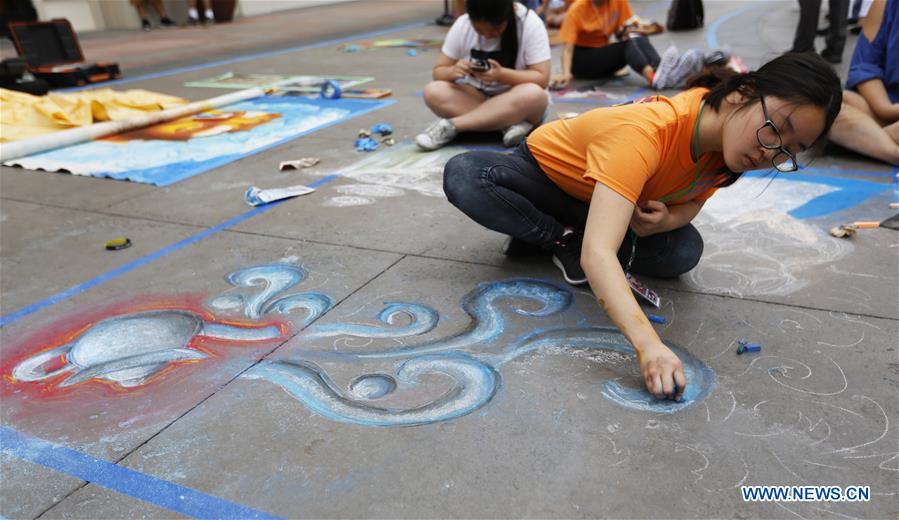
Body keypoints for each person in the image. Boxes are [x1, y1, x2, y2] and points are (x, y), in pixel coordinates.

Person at [443, 53, 842, 401]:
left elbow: (693, 202)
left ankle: (548, 234)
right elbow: (599, 254)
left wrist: (669, 219)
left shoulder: (726, 151)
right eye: (776, 128)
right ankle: (560, 239)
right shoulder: (649, 130)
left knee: (684, 250)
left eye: (790, 150)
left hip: (605, 203)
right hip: (543, 179)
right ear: (744, 91)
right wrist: (649, 347)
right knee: (468, 176)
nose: (771, 151)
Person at [416, 0, 552, 150]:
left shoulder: (529, 23)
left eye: (495, 30)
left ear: (508, 15)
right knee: (433, 91)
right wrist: (453, 71)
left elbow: (541, 78)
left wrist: (502, 75)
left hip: (515, 98)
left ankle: (453, 126)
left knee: (534, 94)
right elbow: (439, 71)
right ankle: (507, 124)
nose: (488, 36)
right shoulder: (463, 24)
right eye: (479, 31)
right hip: (477, 97)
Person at [550, 0, 688, 90]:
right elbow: (567, 49)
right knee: (626, 45)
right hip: (582, 61)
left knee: (637, 37)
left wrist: (648, 28)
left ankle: (662, 71)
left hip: (602, 52)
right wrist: (566, 74)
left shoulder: (618, 2)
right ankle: (652, 78)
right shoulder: (578, 9)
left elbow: (628, 29)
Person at [828, 0, 898, 164]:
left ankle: (864, 139)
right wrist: (886, 109)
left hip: (880, 118)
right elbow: (865, 66)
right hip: (885, 106)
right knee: (829, 102)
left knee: (826, 124)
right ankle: (891, 150)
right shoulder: (885, 3)